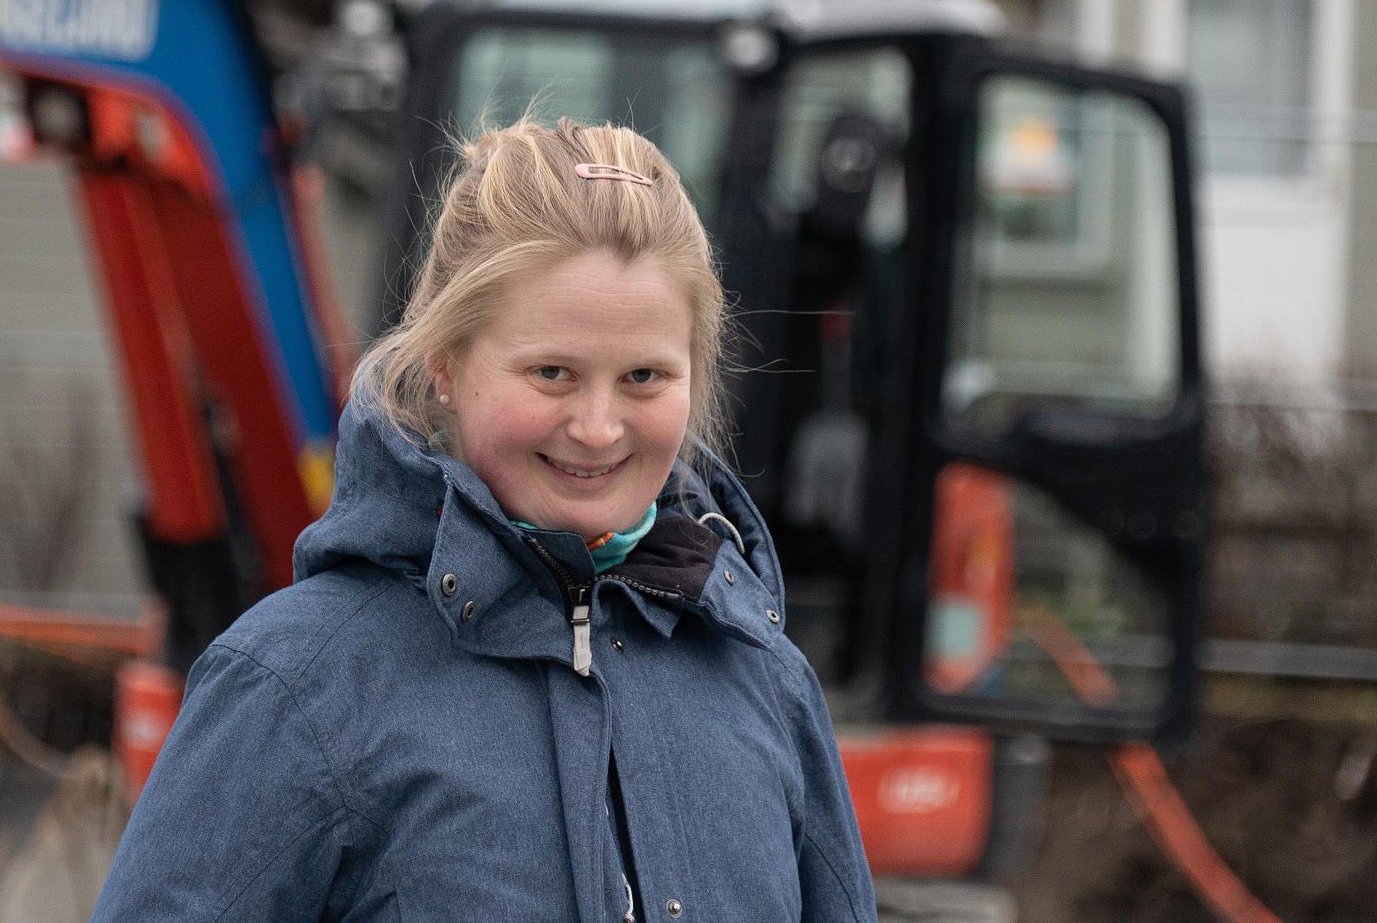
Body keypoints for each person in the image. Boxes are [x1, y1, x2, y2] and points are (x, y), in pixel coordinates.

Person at [92, 120, 877, 921]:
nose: (598, 427)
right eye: (551, 372)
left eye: (643, 376)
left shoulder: (765, 682)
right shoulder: (297, 684)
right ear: (445, 364)